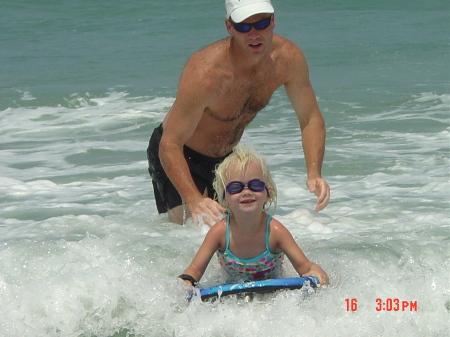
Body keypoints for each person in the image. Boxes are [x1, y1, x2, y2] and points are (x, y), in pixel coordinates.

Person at [147, 0, 330, 226]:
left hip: (225, 159)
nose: (254, 34)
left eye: (261, 24)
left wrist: (314, 173)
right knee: (194, 232)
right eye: (244, 26)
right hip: (180, 154)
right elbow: (170, 143)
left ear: (273, 21)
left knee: (248, 231)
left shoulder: (288, 59)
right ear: (229, 27)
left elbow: (310, 117)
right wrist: (194, 199)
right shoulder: (206, 72)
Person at [179, 146, 329, 286]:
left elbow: (304, 266)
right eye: (236, 187)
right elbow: (194, 270)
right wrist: (186, 283)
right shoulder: (220, 233)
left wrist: (315, 271)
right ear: (225, 199)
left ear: (268, 193)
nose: (246, 191)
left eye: (255, 185)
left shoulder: (275, 231)